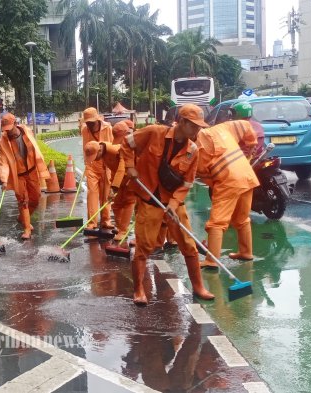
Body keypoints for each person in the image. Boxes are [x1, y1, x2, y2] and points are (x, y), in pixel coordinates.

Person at [122, 104, 215, 305]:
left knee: (189, 246)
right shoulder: (153, 132)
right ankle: (138, 289)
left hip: (174, 203)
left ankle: (198, 287)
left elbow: (187, 182)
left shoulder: (192, 150)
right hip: (150, 201)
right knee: (144, 247)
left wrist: (174, 203)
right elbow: (126, 143)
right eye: (194, 126)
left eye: (200, 127)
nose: (198, 131)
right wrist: (129, 166)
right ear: (181, 122)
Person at [196, 120, 260, 268]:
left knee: (217, 223)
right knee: (242, 218)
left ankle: (211, 261)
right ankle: (246, 252)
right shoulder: (223, 127)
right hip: (246, 175)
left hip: (228, 180)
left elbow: (203, 174)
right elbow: (246, 125)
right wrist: (251, 145)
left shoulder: (195, 145)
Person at [0, 113, 50, 240]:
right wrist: (4, 180)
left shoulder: (27, 131)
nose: (8, 132)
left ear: (15, 124)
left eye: (9, 128)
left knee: (36, 199)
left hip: (31, 171)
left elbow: (35, 149)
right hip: (18, 175)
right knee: (23, 201)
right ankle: (27, 228)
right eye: (5, 130)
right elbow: (3, 162)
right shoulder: (3, 141)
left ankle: (22, 218)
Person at [81, 107, 114, 231]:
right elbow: (86, 148)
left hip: (106, 165)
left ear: (97, 120)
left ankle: (106, 220)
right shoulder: (85, 130)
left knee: (106, 194)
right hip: (92, 165)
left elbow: (111, 146)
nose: (89, 125)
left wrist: (109, 165)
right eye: (87, 122)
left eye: (91, 122)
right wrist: (87, 163)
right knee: (92, 194)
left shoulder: (108, 128)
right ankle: (92, 222)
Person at [110, 120, 136, 247]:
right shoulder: (119, 146)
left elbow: (122, 167)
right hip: (124, 180)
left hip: (133, 179)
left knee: (130, 204)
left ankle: (124, 230)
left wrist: (114, 186)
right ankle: (122, 228)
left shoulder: (128, 146)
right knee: (116, 205)